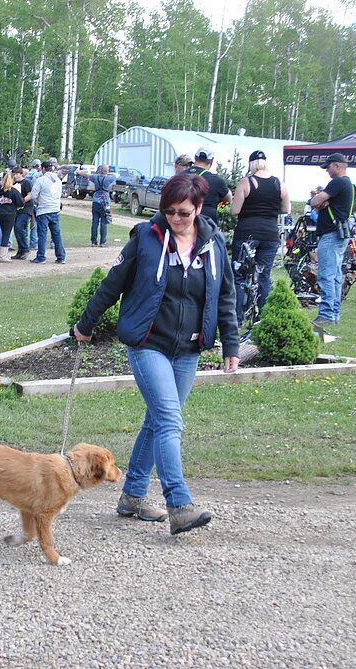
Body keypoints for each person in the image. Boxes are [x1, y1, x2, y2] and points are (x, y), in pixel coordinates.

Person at [73, 173, 239, 535]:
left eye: (183, 212)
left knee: (156, 421)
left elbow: (224, 295)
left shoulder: (213, 244)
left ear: (198, 208)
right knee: (169, 420)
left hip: (188, 349)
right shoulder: (146, 238)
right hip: (147, 344)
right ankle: (179, 504)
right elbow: (112, 283)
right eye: (168, 212)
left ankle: (131, 496)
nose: (175, 219)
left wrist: (231, 344)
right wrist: (86, 324)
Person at [229, 149, 290, 322]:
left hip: (247, 233)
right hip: (271, 233)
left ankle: (237, 317)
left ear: (251, 164)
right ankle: (262, 316)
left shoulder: (246, 182)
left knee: (239, 274)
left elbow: (235, 211)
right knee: (263, 275)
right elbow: (285, 209)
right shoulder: (279, 183)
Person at [309, 153, 355, 327]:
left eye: (328, 167)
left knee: (326, 276)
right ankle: (334, 313)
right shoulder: (348, 183)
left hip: (331, 234)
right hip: (339, 234)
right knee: (335, 276)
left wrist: (320, 200)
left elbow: (315, 201)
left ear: (337, 165)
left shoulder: (338, 182)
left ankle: (326, 314)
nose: (327, 171)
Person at [26, 158, 66, 264]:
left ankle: (41, 256)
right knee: (56, 234)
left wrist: (38, 200)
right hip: (55, 209)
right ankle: (61, 256)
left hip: (43, 209)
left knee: (42, 234)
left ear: (43, 169)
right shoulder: (58, 180)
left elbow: (33, 194)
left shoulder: (41, 180)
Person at [186, 147, 230, 224]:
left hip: (183, 220)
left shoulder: (178, 176)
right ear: (211, 161)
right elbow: (228, 199)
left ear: (195, 158)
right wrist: (220, 206)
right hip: (207, 223)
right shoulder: (216, 180)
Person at [0, 167, 23, 262]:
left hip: (0, 213)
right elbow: (21, 203)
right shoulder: (13, 191)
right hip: (10, 214)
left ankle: (2, 254)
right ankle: (2, 256)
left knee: (2, 231)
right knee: (6, 234)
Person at [12, 161, 39, 260]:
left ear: (21, 174)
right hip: (17, 210)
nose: (15, 176)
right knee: (17, 229)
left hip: (26, 208)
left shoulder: (26, 182)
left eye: (17, 174)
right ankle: (21, 250)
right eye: (14, 174)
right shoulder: (14, 184)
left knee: (19, 227)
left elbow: (30, 195)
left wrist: (21, 201)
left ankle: (25, 249)